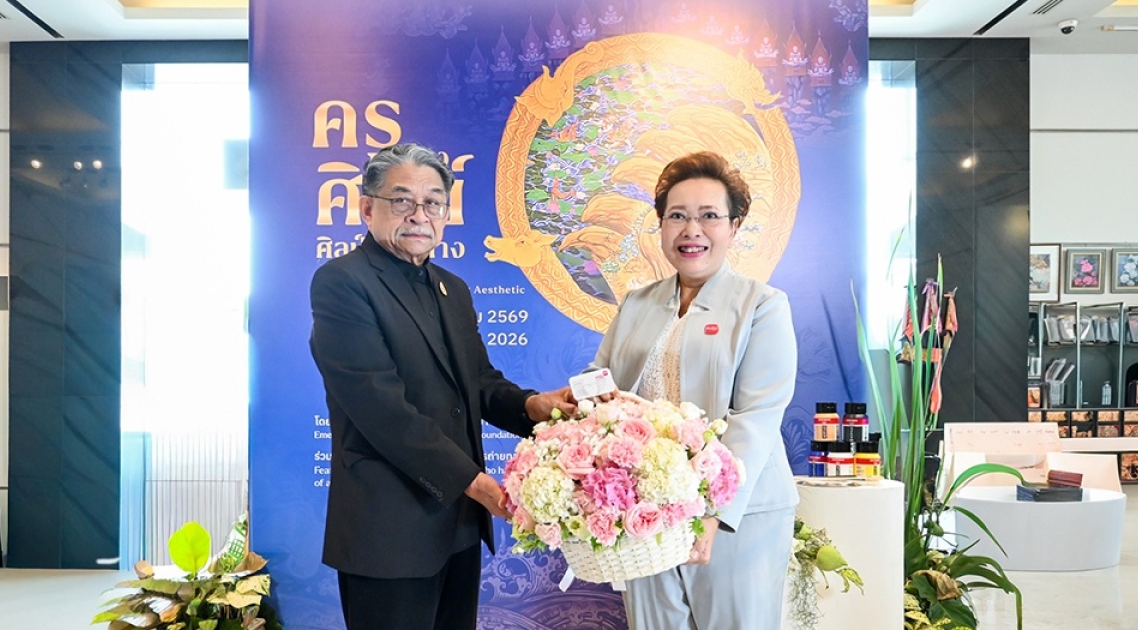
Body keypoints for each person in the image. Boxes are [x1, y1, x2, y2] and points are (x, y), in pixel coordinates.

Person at [309, 142, 576, 630]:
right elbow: (382, 410)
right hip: (388, 532)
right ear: (367, 208)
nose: (419, 215)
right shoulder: (342, 283)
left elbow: (479, 381)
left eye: (433, 202)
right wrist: (473, 481)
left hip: (457, 526)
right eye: (401, 200)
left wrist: (534, 406)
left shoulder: (453, 288)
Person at [593, 151, 798, 629]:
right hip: (647, 508)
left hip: (739, 513)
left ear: (734, 225)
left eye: (709, 216)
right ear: (661, 225)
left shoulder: (763, 306)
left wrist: (713, 512)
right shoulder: (637, 303)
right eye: (677, 216)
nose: (692, 230)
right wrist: (585, 401)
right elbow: (602, 380)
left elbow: (756, 418)